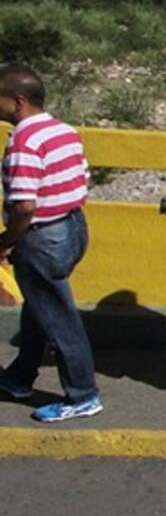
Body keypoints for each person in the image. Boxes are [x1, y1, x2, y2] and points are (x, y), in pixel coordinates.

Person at [0, 65, 100, 422]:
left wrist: (6, 240)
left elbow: (25, 207)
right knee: (41, 306)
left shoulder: (24, 141)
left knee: (59, 319)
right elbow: (82, 178)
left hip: (42, 237)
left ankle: (83, 394)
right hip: (72, 227)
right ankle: (19, 377)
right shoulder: (64, 130)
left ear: (18, 101)